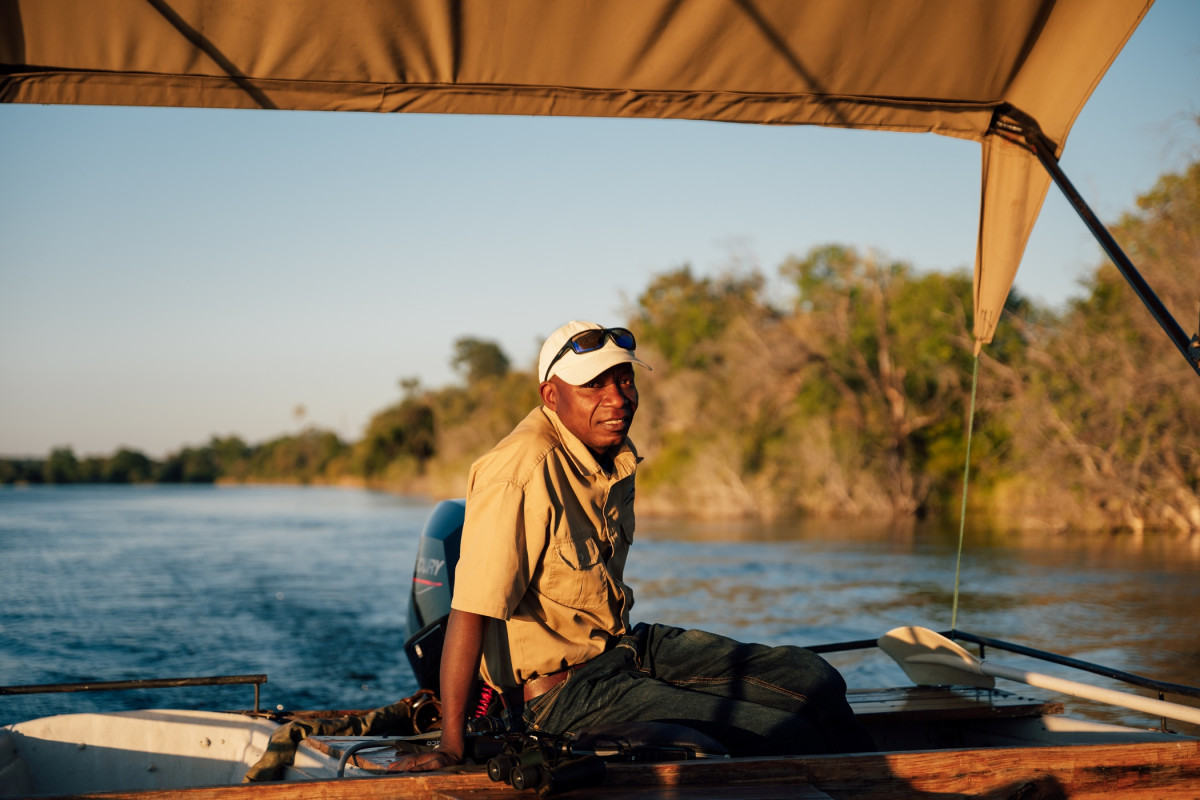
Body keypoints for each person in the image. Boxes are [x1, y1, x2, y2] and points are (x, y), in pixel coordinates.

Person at [393, 321, 872, 772]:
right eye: (595, 386)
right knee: (775, 731)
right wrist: (451, 745)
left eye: (624, 381)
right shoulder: (518, 472)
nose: (618, 399)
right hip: (561, 696)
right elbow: (470, 609)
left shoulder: (610, 456)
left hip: (624, 650)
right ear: (551, 396)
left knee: (813, 678)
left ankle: (875, 782)